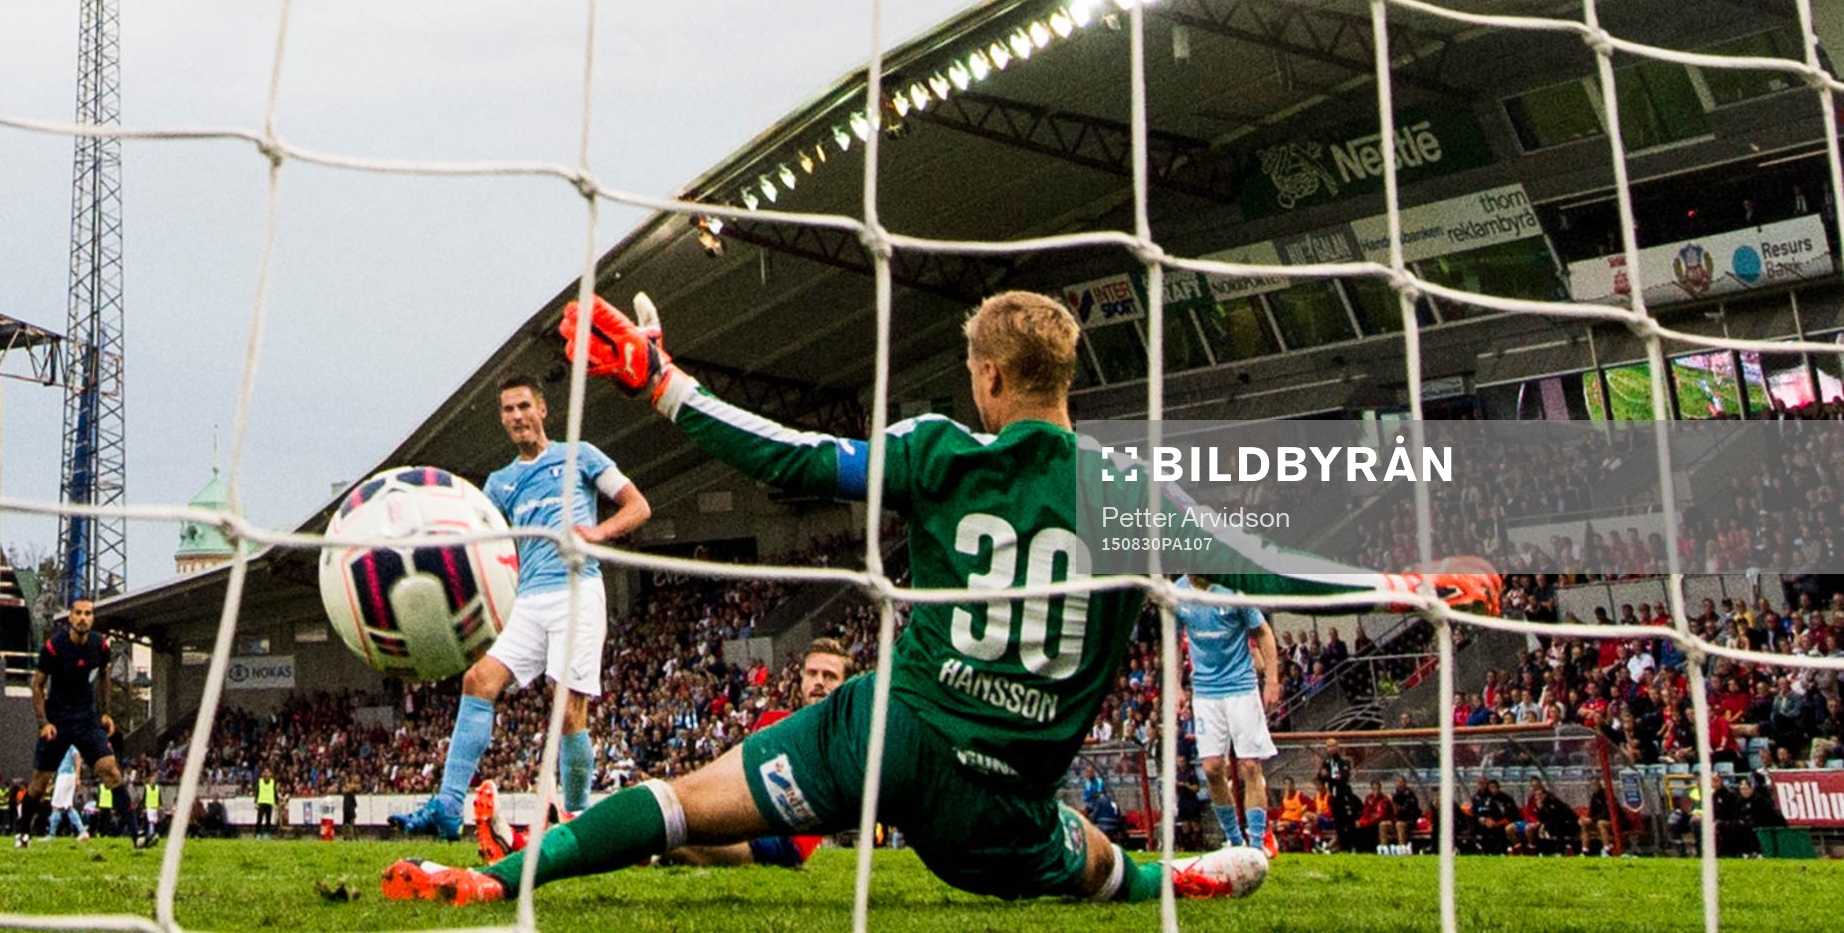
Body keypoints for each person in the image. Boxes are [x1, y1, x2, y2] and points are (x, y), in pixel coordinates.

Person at [384, 290, 1497, 907]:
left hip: (886, 733)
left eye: (974, 368)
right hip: (1000, 797)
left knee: (677, 804)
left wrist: (664, 383)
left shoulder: (938, 454)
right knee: (1088, 871)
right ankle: (1180, 874)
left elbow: (793, 462)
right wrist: (1404, 580)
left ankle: (489, 878)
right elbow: (1253, 562)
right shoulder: (1125, 490)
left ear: (993, 378)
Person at [391, 373, 653, 841]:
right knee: (478, 679)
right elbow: (481, 544)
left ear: (543, 410)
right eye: (508, 410)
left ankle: (575, 821)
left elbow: (638, 506)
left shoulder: (582, 456)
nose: (517, 417)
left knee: (568, 712)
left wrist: (596, 533)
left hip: (577, 592)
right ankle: (449, 807)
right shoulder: (500, 483)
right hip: (529, 599)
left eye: (523, 407)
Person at [662, 638, 854, 869]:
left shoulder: (847, 738)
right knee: (670, 817)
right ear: (801, 679)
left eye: (830, 676)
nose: (819, 682)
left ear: (846, 684)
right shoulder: (773, 722)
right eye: (812, 674)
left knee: (675, 840)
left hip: (783, 840)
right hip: (739, 818)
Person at [10, 599, 147, 849]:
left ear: (92, 618)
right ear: (70, 618)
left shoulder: (99, 645)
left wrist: (105, 713)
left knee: (111, 771)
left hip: (86, 719)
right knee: (39, 784)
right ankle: (22, 831)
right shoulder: (54, 647)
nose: (83, 618)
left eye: (88, 613)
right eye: (79, 613)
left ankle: (137, 834)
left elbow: (104, 674)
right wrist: (43, 722)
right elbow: (38, 685)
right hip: (58, 720)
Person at [1173, 575, 1279, 854]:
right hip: (1206, 691)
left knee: (1251, 767)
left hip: (1241, 687)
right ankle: (1235, 841)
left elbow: (1263, 632)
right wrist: (1175, 686)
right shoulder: (1178, 592)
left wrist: (1272, 680)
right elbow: (1172, 642)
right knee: (1211, 769)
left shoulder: (1232, 590)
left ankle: (1256, 846)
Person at [47, 747, 85, 841]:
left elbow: (77, 757)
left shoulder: (69, 745)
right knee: (68, 806)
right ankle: (82, 831)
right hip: (65, 776)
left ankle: (52, 834)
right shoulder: (66, 745)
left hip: (65, 776)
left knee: (56, 806)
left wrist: (77, 775)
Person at [254, 770, 278, 837]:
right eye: (265, 772)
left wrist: (276, 803)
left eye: (268, 773)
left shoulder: (273, 782)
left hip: (269, 803)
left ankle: (267, 834)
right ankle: (257, 834)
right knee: (259, 820)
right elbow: (257, 792)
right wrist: (255, 802)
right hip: (261, 802)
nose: (266, 774)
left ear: (270, 774)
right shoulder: (260, 781)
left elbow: (275, 793)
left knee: (268, 820)